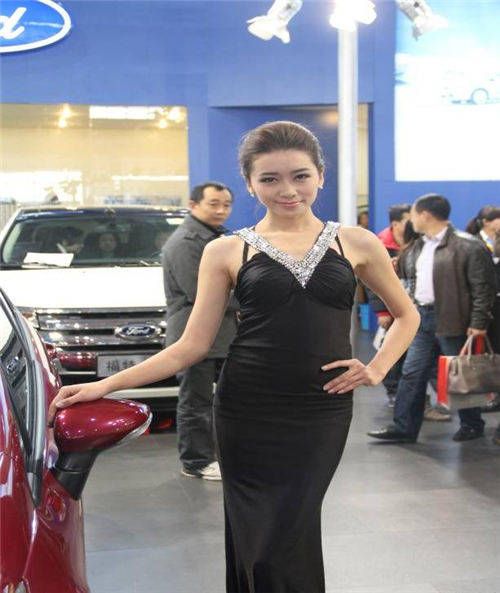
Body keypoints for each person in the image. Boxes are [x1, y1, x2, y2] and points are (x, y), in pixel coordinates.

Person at [48, 121, 420, 593]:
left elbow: (407, 315)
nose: (288, 190)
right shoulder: (225, 250)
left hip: (320, 409)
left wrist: (377, 368)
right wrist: (104, 385)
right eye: (270, 179)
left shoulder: (357, 242)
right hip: (247, 409)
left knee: (291, 528)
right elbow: (191, 345)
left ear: (321, 176)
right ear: (249, 183)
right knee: (258, 537)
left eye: (300, 176)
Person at [368, 194, 496, 444]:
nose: (411, 220)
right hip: (421, 319)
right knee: (411, 373)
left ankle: (472, 424)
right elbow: (409, 277)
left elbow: (483, 289)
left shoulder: (468, 246)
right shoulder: (418, 246)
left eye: (414, 214)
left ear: (425, 215)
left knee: (460, 375)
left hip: (454, 319)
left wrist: (478, 323)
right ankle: (404, 427)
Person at [162, 181, 237, 481]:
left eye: (226, 205)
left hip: (220, 335)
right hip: (192, 336)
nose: (221, 210)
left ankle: (220, 455)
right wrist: (254, 295)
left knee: (221, 401)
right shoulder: (186, 242)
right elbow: (203, 292)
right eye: (213, 204)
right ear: (193, 205)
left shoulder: (217, 237)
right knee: (196, 402)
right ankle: (196, 461)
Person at [367, 203, 411, 407]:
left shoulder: (416, 241)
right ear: (396, 223)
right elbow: (372, 283)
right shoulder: (379, 244)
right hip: (391, 307)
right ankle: (393, 390)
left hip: (413, 306)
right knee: (392, 350)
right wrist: (382, 311)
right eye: (408, 219)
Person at [466, 206, 500, 419]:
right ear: (487, 221)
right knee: (490, 353)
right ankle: (493, 395)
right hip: (486, 305)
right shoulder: (473, 243)